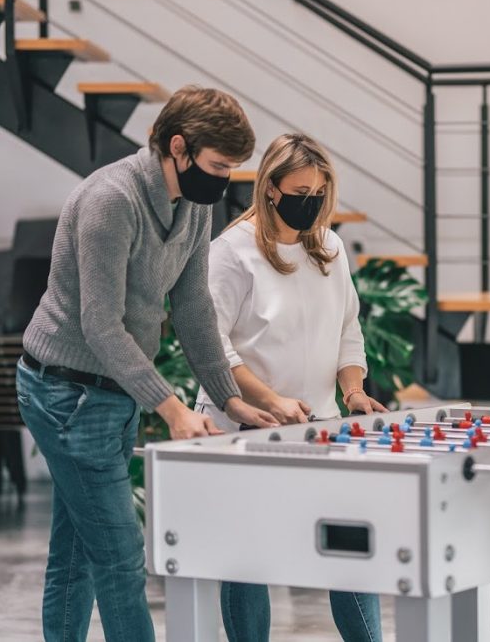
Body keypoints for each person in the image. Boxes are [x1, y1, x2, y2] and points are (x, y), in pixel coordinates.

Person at [16, 86, 277, 642]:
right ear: (178, 147)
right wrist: (172, 408)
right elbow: (99, 326)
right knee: (120, 557)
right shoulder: (111, 201)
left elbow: (192, 305)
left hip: (113, 388)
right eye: (217, 166)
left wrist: (230, 397)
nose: (225, 180)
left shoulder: (195, 204)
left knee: (79, 553)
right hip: (66, 391)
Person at [194, 133, 386, 641]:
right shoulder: (230, 254)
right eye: (301, 191)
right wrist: (271, 400)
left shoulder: (330, 245)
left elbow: (348, 329)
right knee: (247, 560)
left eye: (320, 192)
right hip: (244, 427)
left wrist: (353, 392)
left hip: (318, 427)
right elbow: (213, 351)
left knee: (349, 553)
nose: (312, 202)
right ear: (271, 188)